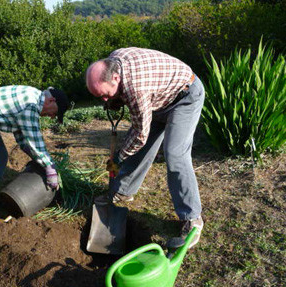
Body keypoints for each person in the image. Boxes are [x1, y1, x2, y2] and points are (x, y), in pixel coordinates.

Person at [86, 47, 205, 247]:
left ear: (115, 78)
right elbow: (139, 133)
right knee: (138, 147)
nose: (104, 100)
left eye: (105, 95)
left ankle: (192, 218)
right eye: (100, 97)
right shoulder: (113, 61)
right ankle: (123, 191)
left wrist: (118, 158)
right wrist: (113, 98)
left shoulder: (136, 88)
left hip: (184, 96)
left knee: (175, 154)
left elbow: (140, 135)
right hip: (157, 98)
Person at [0, 85, 69, 227]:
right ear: (51, 100)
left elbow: (23, 139)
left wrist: (37, 159)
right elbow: (34, 141)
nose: (52, 117)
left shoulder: (34, 98)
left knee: (0, 156)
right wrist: (49, 166)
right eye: (55, 113)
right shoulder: (30, 105)